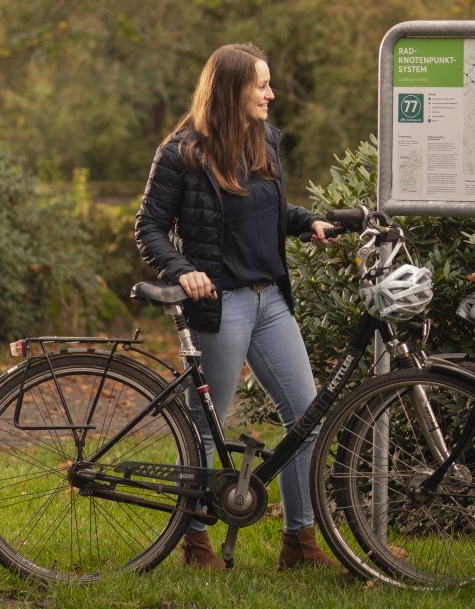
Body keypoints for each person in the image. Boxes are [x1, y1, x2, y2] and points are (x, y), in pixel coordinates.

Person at [134, 43, 340, 571]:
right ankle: (196, 545)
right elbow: (149, 229)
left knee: (305, 420)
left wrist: (306, 222)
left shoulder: (266, 139)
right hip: (219, 306)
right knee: (206, 429)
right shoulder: (181, 152)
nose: (271, 94)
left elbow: (268, 210)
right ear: (231, 90)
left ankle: (300, 544)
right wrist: (183, 271)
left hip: (269, 300)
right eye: (262, 85)